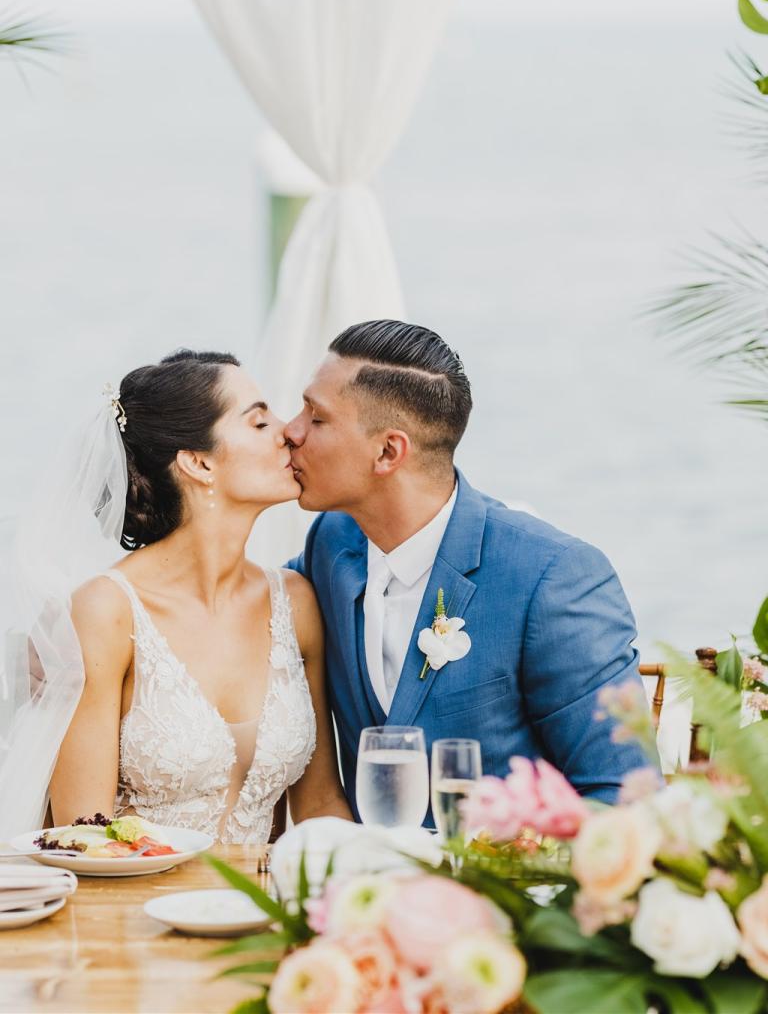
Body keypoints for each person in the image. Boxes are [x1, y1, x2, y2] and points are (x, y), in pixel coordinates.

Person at [285, 319, 655, 821]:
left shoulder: (553, 578)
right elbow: (241, 603)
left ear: (388, 452)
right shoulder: (332, 542)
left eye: (317, 418)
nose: (291, 431)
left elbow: (627, 796)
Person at [0, 349, 350, 841]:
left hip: (267, 910)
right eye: (258, 422)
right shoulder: (106, 613)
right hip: (135, 909)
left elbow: (319, 805)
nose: (289, 432)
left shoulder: (295, 600)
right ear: (198, 463)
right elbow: (84, 836)